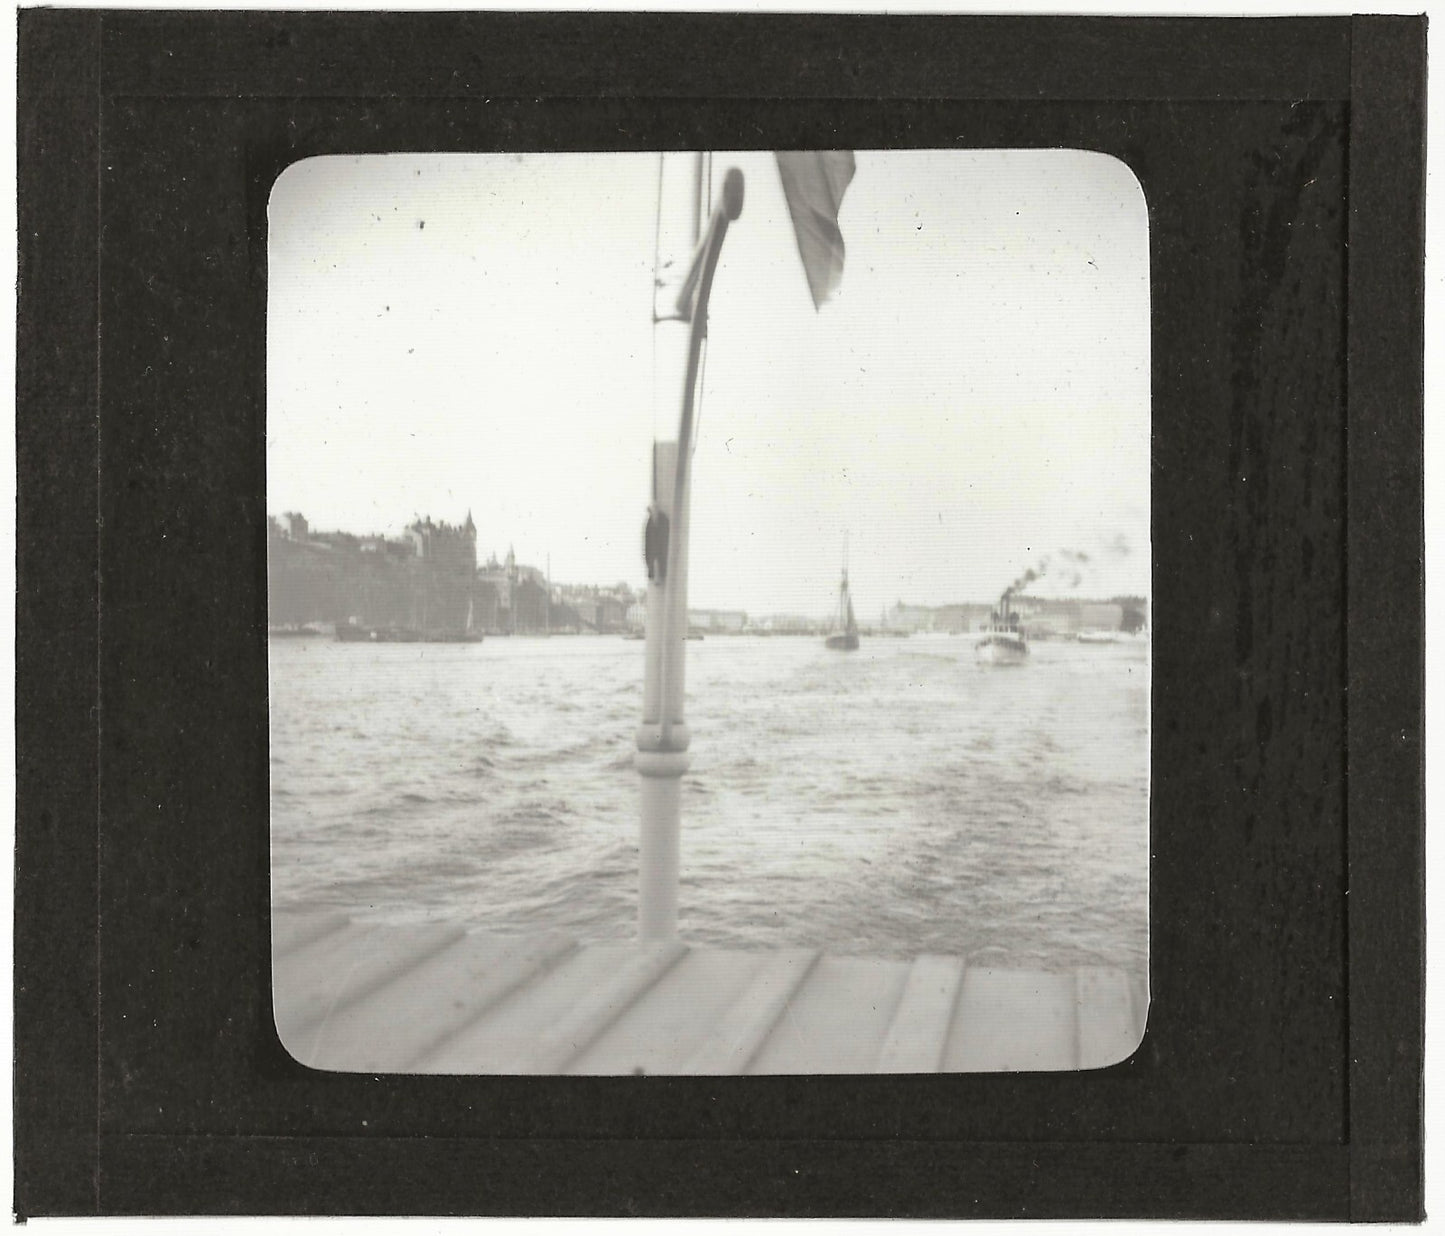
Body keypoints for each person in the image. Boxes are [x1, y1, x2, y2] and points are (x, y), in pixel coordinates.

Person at [644, 504, 670, 584]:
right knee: (654, 563)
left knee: (659, 563)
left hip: (660, 549)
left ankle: (660, 576)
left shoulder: (663, 519)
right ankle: (656, 577)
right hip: (652, 549)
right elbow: (647, 539)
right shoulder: (650, 522)